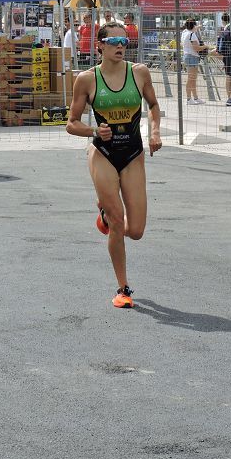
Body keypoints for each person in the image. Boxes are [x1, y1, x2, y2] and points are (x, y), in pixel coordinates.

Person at [66, 21, 162, 309]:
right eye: (114, 41)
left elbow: (154, 106)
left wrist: (154, 132)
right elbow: (71, 123)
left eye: (125, 40)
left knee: (137, 231)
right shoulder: (86, 79)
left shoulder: (139, 73)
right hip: (103, 154)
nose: (121, 45)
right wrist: (94, 131)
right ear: (99, 46)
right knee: (119, 224)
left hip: (133, 154)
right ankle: (123, 288)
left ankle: (105, 218)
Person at [181, 18, 205, 104]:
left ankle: (195, 97)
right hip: (192, 56)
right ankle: (188, 98)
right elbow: (196, 48)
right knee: (191, 79)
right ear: (193, 25)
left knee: (193, 78)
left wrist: (197, 27)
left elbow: (192, 28)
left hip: (187, 56)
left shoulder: (184, 32)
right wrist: (206, 47)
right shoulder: (192, 35)